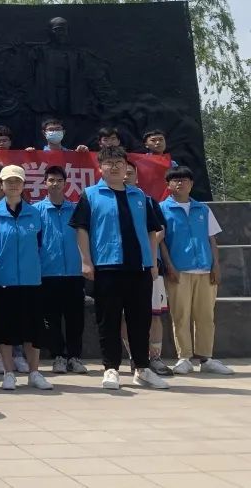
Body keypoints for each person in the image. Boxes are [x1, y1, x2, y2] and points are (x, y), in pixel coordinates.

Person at [70, 146, 169, 390]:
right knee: (109, 320)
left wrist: (152, 262)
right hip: (108, 267)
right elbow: (82, 229)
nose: (114, 167)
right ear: (100, 167)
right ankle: (111, 368)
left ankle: (142, 368)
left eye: (119, 162)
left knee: (140, 321)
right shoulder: (91, 195)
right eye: (109, 163)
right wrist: (86, 260)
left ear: (126, 167)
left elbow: (152, 232)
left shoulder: (140, 196)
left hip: (140, 267)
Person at [158, 166, 233, 375]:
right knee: (181, 315)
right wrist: (169, 266)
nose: (180, 183)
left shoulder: (203, 209)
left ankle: (206, 358)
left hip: (205, 270)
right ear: (168, 185)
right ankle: (184, 358)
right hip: (179, 270)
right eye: (175, 180)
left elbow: (212, 239)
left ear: (191, 184)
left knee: (206, 316)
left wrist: (216, 265)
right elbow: (161, 242)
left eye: (184, 180)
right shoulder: (162, 209)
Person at [0, 165, 52, 391]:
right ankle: (9, 373)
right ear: (1, 184)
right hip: (3, 279)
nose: (13, 185)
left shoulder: (35, 213)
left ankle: (34, 373)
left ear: (23, 185)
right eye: (9, 181)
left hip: (31, 280)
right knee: (5, 329)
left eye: (17, 181)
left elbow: (41, 244)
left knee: (33, 329)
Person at [36, 166, 87, 375]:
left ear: (65, 183)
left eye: (59, 180)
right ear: (44, 183)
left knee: (76, 318)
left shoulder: (76, 209)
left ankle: (74, 357)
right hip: (47, 273)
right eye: (51, 180)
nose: (55, 184)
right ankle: (58, 356)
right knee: (51, 318)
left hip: (74, 273)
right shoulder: (36, 210)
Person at [124, 161, 172, 376]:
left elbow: (159, 230)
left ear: (137, 177)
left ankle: (155, 357)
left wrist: (145, 245)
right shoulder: (107, 200)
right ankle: (134, 357)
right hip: (121, 266)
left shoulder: (148, 201)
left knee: (153, 314)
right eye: (122, 172)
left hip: (150, 265)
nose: (125, 176)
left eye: (129, 173)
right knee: (124, 315)